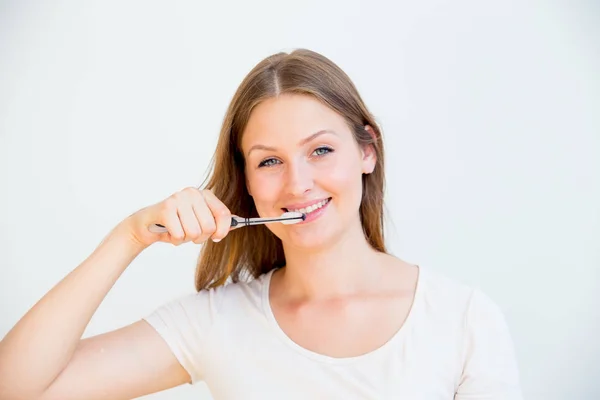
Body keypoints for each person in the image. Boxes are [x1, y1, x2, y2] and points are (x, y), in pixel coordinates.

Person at [0, 49, 522, 400]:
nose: (298, 184)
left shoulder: (463, 321)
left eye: (321, 150)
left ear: (367, 151)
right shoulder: (215, 322)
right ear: (246, 180)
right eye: (269, 161)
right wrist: (130, 236)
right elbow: (17, 386)